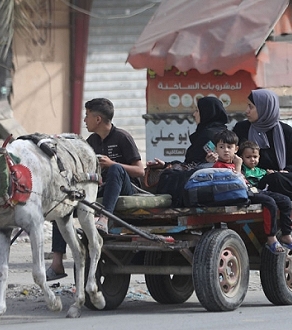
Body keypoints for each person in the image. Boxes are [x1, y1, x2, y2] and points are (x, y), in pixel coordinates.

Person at [47, 98, 144, 281]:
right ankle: (57, 263)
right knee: (62, 207)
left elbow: (140, 170)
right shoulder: (90, 141)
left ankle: (104, 218)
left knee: (116, 169)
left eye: (87, 115)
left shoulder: (122, 137)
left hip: (124, 188)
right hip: (100, 188)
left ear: (97, 119)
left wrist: (112, 163)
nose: (84, 120)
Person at [147, 96, 229, 206]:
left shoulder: (208, 135)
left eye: (197, 111)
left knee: (169, 177)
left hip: (204, 182)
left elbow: (192, 165)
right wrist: (166, 164)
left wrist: (168, 168)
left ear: (206, 113)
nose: (194, 114)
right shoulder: (223, 132)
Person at [238, 140, 292, 254]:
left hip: (261, 191)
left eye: (255, 157)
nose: (252, 159)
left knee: (285, 201)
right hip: (249, 193)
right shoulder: (241, 170)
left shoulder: (260, 171)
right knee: (270, 203)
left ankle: (286, 234)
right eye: (248, 157)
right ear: (241, 157)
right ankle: (271, 237)